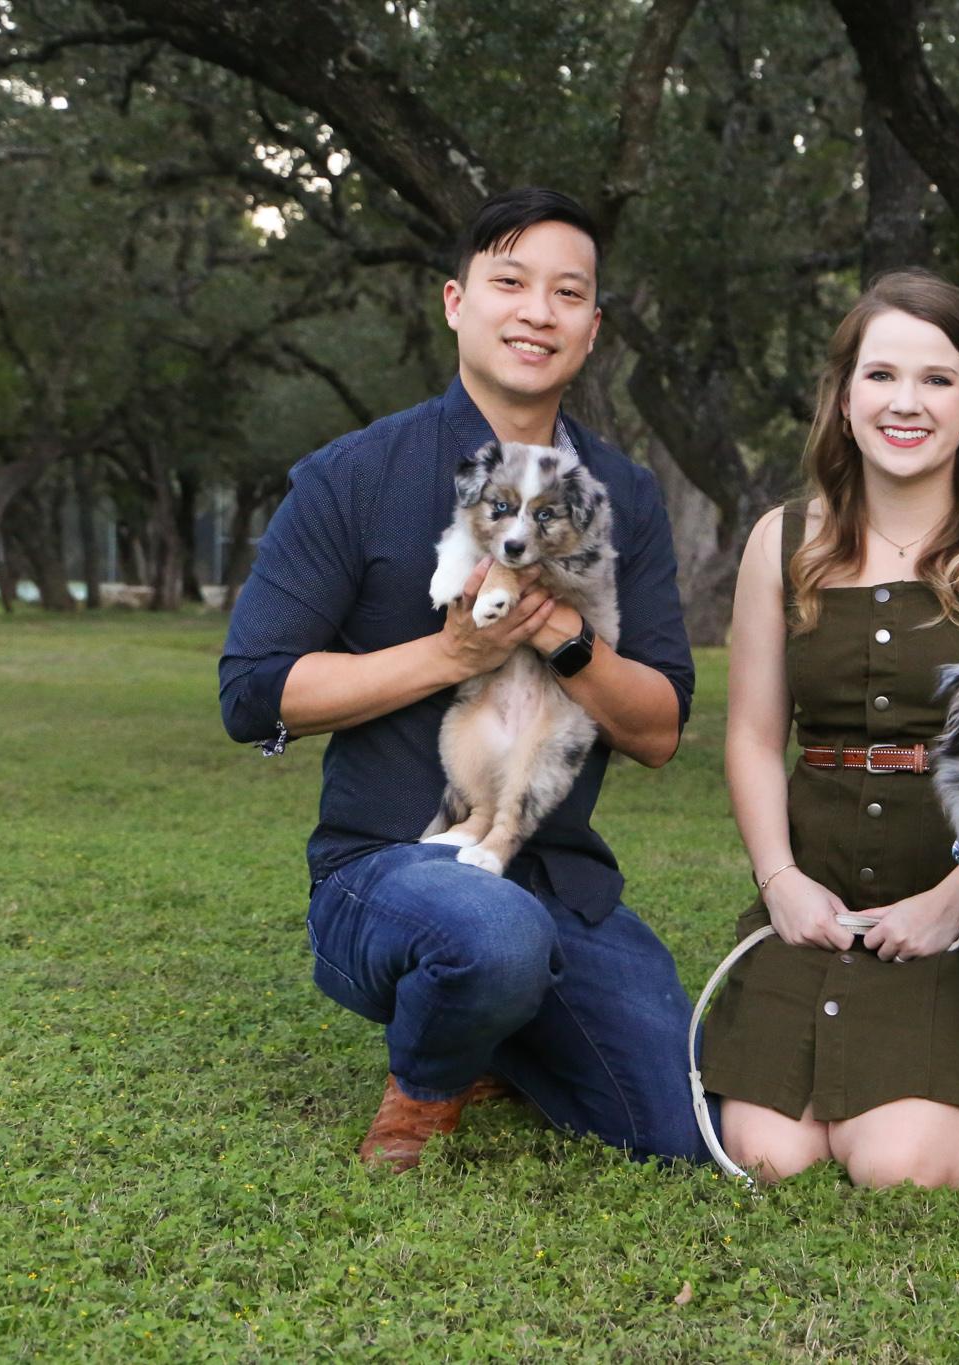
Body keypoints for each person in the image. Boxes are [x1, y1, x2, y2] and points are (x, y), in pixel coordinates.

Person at [218, 187, 705, 1171]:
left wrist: (563, 636)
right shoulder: (355, 474)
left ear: (592, 327)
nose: (538, 312)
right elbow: (253, 691)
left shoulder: (624, 495)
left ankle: (498, 1033)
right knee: (489, 935)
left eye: (567, 293)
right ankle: (426, 1086)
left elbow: (657, 728)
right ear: (455, 301)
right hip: (387, 869)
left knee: (679, 1134)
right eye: (510, 282)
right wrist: (451, 656)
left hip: (554, 874)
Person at [697, 269, 959, 1187]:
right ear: (844, 401)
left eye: (937, 378)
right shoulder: (782, 540)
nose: (906, 402)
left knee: (900, 1168)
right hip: (814, 903)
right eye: (880, 375)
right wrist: (781, 882)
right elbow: (754, 738)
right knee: (767, 1155)